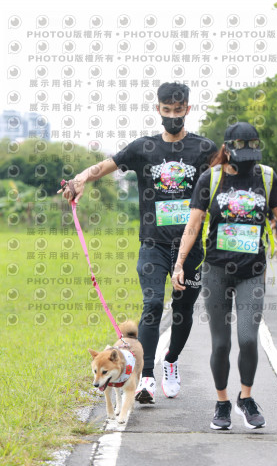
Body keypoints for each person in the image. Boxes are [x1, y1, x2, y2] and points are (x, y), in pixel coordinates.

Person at [58, 82, 217, 404]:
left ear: (188, 108)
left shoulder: (204, 149)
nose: (173, 116)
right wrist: (79, 181)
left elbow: (230, 176)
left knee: (183, 310)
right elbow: (105, 166)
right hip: (153, 243)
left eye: (178, 110)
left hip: (191, 247)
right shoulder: (143, 148)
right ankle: (146, 378)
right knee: (154, 305)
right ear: (158, 109)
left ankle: (170, 361)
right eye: (167, 110)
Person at [171, 122, 277, 430]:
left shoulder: (266, 177)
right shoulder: (210, 179)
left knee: (248, 339)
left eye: (252, 150)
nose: (248, 158)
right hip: (215, 270)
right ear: (227, 149)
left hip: (252, 271)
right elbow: (194, 224)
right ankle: (222, 402)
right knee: (221, 343)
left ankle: (246, 397)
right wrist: (180, 264)